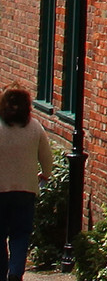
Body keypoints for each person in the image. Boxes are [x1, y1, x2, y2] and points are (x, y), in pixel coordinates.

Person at [0, 86, 50, 281]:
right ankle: (15, 272)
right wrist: (45, 175)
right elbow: (46, 157)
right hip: (26, 190)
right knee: (20, 234)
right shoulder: (35, 127)